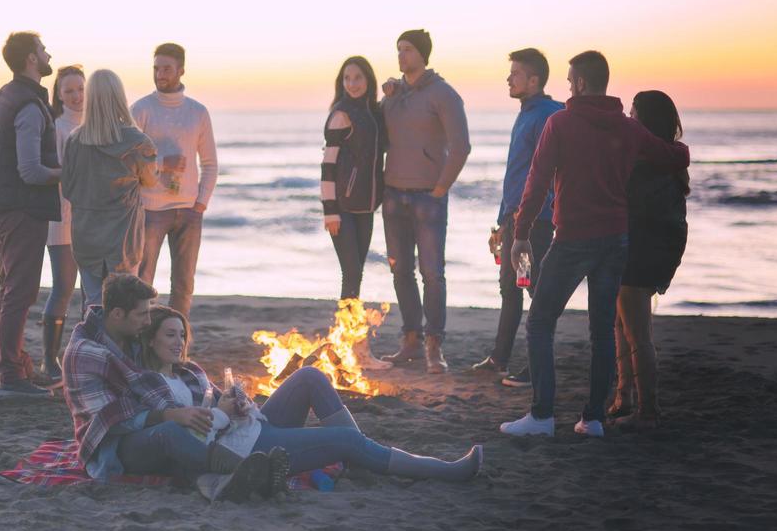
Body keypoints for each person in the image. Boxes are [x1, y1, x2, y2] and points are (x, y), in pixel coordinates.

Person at [501, 52, 690, 439]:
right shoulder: (627, 128)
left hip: (572, 239)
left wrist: (520, 235)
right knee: (602, 330)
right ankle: (593, 419)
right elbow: (675, 154)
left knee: (539, 322)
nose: (568, 87)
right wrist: (680, 152)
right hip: (615, 241)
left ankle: (541, 416)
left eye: (571, 81)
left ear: (582, 83)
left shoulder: (561, 123)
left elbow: (535, 186)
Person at [136, 304, 484, 486]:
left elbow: (222, 407)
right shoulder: (154, 385)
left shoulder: (190, 371)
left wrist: (241, 404)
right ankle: (444, 471)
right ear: (150, 339)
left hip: (251, 429)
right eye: (169, 335)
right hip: (242, 451)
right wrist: (225, 413)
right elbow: (192, 443)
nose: (179, 342)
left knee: (309, 375)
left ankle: (359, 455)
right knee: (347, 440)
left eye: (182, 335)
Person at [61, 273, 282, 502]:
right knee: (169, 432)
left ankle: (228, 476)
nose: (148, 321)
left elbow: (156, 381)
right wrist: (169, 415)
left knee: (179, 431)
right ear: (117, 314)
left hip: (148, 431)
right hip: (113, 445)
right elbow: (109, 420)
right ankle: (253, 473)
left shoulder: (130, 337)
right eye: (142, 314)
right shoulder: (85, 354)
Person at [379, 29, 471, 373]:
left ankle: (435, 346)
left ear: (423, 55)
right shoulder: (393, 95)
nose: (401, 55)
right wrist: (385, 94)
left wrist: (440, 188)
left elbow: (461, 146)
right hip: (393, 195)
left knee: (432, 273)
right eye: (398, 49)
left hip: (428, 198)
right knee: (400, 270)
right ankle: (411, 342)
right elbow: (376, 136)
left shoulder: (444, 94)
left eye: (407, 50)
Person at [472, 49, 563, 387]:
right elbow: (516, 174)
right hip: (515, 221)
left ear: (534, 80)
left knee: (530, 288)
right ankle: (499, 359)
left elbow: (552, 170)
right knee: (511, 287)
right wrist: (502, 222)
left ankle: (535, 369)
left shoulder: (546, 115)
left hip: (534, 223)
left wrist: (534, 215)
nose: (509, 79)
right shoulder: (526, 112)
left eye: (516, 73)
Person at [0, 32, 62, 399]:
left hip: (5, 203)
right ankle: (10, 378)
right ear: (32, 59)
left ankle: (17, 365)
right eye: (44, 49)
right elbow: (31, 171)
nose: (49, 54)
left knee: (12, 288)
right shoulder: (28, 105)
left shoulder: (6, 95)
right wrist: (69, 172)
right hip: (21, 207)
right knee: (20, 291)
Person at [608, 91, 689, 432]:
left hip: (640, 253)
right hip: (647, 250)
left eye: (633, 113)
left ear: (646, 120)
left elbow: (633, 207)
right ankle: (623, 396)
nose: (628, 118)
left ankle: (648, 410)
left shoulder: (649, 163)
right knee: (621, 325)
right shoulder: (666, 158)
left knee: (638, 333)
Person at [133, 42, 218, 322]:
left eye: (166, 69)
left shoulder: (197, 112)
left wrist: (201, 203)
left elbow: (209, 163)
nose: (160, 74)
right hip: (151, 209)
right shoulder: (141, 109)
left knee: (184, 285)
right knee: (143, 282)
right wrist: (161, 164)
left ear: (181, 70)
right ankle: (143, 341)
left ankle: (177, 345)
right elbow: (129, 161)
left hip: (189, 211)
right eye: (156, 68)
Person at [61, 70, 158, 312]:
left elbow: (69, 189)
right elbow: (150, 180)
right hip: (123, 236)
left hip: (86, 235)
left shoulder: (75, 140)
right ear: (119, 97)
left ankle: (92, 349)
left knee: (93, 306)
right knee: (126, 307)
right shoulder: (137, 141)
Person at [321, 56, 386, 302]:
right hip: (342, 207)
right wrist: (330, 211)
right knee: (351, 271)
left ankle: (350, 329)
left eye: (358, 77)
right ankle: (347, 331)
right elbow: (327, 166)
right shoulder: (341, 115)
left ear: (368, 80)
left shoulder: (374, 114)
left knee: (356, 273)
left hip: (366, 207)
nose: (352, 83)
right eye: (347, 78)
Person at [36, 64, 86, 382]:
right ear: (59, 94)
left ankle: (84, 355)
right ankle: (49, 360)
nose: (77, 96)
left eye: (80, 89)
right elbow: (56, 172)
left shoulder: (97, 123)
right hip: (64, 216)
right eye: (69, 90)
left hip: (94, 217)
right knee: (64, 287)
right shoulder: (56, 127)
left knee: (93, 290)